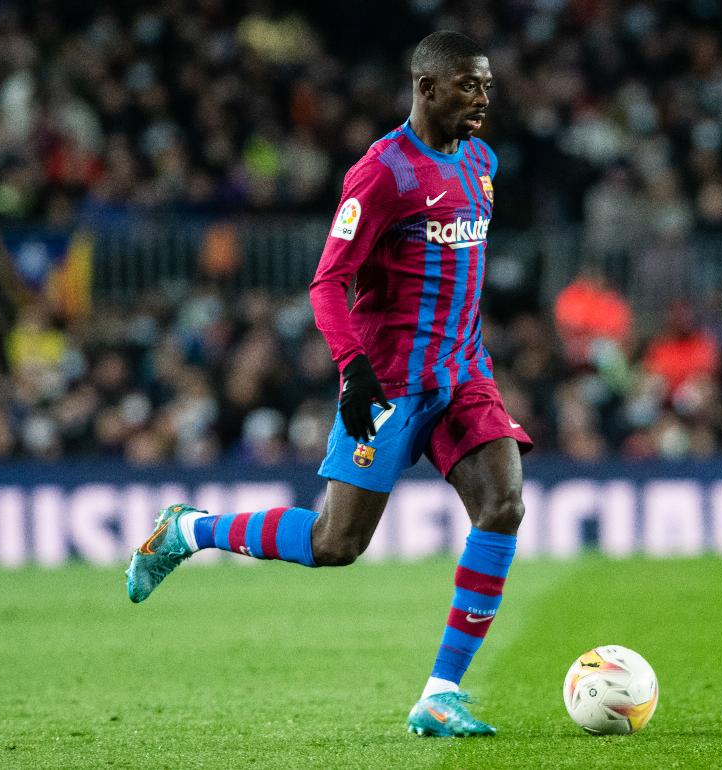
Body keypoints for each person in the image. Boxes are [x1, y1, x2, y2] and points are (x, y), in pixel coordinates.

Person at [124, 31, 532, 738]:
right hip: (388, 385)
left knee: (502, 504)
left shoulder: (481, 162)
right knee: (335, 542)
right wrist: (355, 369)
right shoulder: (381, 174)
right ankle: (188, 530)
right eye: (470, 85)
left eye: (487, 85)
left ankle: (440, 692)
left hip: (463, 373)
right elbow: (327, 283)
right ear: (426, 87)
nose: (483, 99)